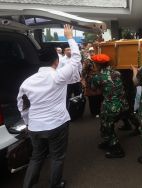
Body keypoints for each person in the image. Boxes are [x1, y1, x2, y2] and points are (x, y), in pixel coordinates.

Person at [17, 24, 80, 188]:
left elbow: (22, 105)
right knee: (57, 157)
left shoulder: (27, 82)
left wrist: (28, 123)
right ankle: (55, 184)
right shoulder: (59, 76)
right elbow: (76, 60)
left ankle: (27, 185)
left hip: (35, 127)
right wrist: (70, 37)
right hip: (57, 124)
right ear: (57, 61)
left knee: (37, 157)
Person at [90, 54, 129, 158]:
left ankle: (117, 149)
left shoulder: (98, 77)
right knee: (105, 123)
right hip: (123, 104)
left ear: (97, 65)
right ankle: (108, 141)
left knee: (107, 126)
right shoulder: (116, 72)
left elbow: (93, 89)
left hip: (111, 106)